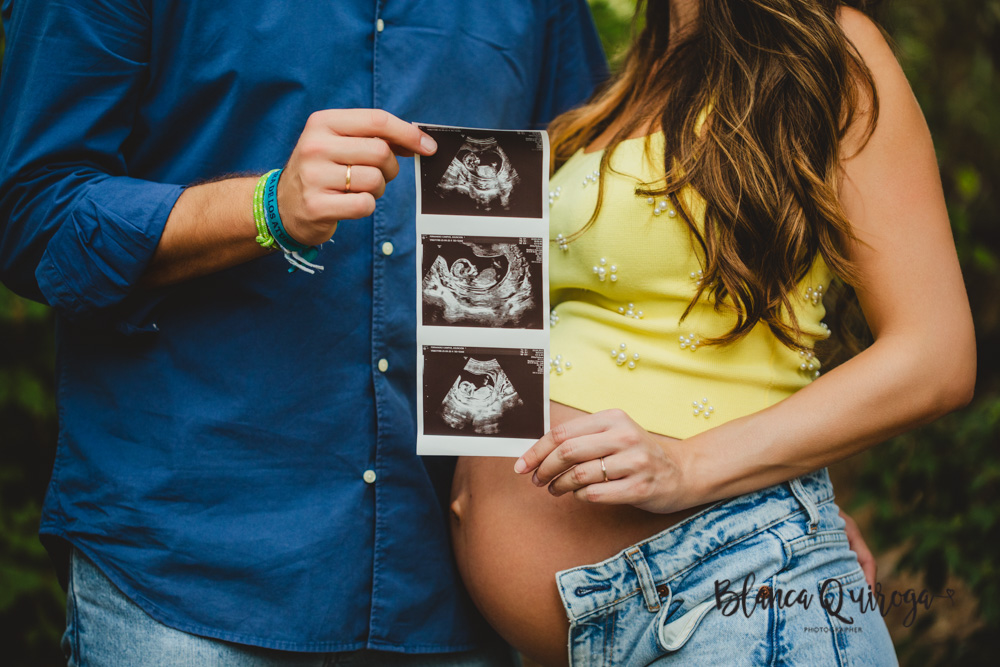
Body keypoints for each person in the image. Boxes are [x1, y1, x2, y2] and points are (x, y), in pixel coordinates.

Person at [0, 1, 608, 664]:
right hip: (189, 568)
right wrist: (264, 207)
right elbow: (36, 212)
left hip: (455, 579)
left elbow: (588, 203)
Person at [450, 1, 976, 665]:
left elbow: (937, 353)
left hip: (735, 597)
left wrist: (691, 465)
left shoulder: (828, 46)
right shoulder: (629, 80)